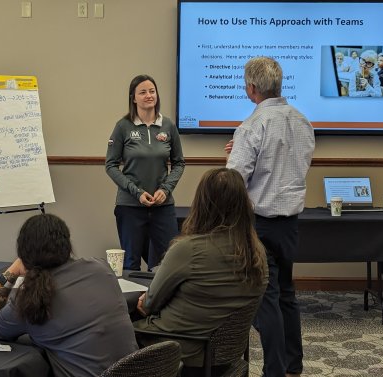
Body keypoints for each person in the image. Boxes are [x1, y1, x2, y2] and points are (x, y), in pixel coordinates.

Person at [225, 56, 315, 377]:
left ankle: (274, 372)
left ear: (251, 88)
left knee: (267, 300)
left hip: (259, 225)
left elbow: (234, 180)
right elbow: (295, 163)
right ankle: (293, 366)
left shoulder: (251, 126)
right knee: (287, 295)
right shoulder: (303, 121)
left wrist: (237, 152)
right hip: (290, 225)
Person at [134, 168, 268, 377]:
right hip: (225, 355)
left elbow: (148, 305)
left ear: (202, 203)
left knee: (112, 329)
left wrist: (147, 303)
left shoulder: (188, 249)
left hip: (178, 353)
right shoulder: (256, 253)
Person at [0, 213, 138, 377]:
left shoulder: (30, 299)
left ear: (23, 253)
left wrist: (13, 270)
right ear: (67, 244)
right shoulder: (101, 268)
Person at [105, 74, 185, 271]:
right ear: (133, 98)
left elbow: (179, 163)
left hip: (162, 206)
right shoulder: (123, 126)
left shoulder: (168, 126)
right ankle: (134, 302)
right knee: (131, 264)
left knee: (168, 263)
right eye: (143, 92)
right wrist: (136, 192)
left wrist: (165, 190)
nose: (149, 95)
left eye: (152, 91)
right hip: (130, 206)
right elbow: (111, 165)